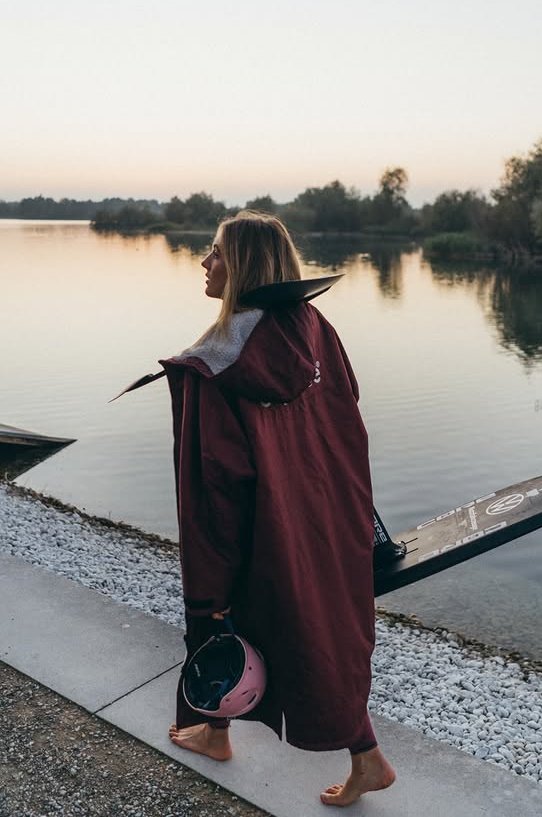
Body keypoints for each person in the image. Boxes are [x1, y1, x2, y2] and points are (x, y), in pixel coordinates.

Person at [163, 211, 395, 806]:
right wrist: (351, 513)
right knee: (327, 632)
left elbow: (211, 488)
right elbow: (349, 419)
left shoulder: (209, 368)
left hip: (260, 530)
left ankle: (361, 758)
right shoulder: (313, 327)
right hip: (329, 513)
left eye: (214, 253)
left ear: (241, 266)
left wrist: (207, 595)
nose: (205, 263)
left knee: (222, 630)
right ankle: (228, 737)